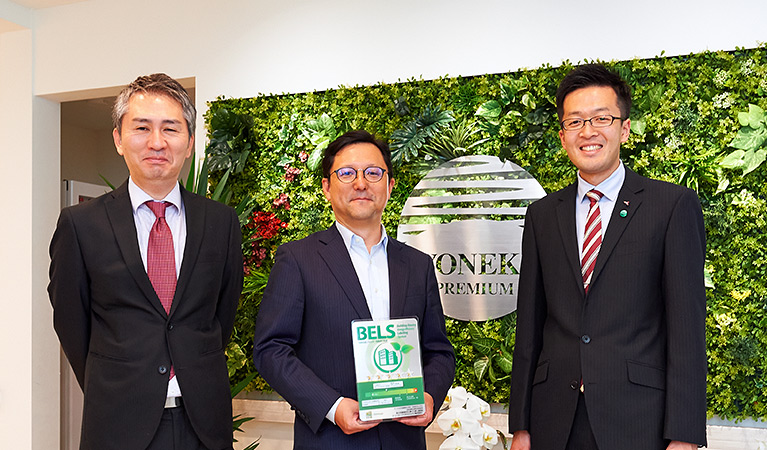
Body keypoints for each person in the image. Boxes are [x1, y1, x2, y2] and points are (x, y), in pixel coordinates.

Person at [508, 64, 707, 450]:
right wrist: (521, 426)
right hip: (554, 421)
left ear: (624, 129)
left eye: (601, 118)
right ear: (563, 136)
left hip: (638, 421)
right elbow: (529, 329)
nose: (588, 132)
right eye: (575, 122)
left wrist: (684, 436)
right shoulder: (542, 215)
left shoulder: (671, 206)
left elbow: (687, 331)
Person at [48, 73, 243, 450]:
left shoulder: (220, 222)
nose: (157, 142)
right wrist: (116, 380)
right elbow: (71, 322)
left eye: (171, 128)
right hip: (118, 422)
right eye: (141, 127)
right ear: (119, 139)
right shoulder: (81, 224)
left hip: (204, 423)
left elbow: (221, 315)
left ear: (189, 142)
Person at [253, 130, 456, 449]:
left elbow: (439, 351)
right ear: (326, 187)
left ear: (389, 186)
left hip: (403, 440)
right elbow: (271, 350)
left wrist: (429, 396)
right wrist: (332, 407)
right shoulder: (298, 259)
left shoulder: (417, 265)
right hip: (330, 440)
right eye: (347, 173)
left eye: (373, 173)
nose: (361, 183)